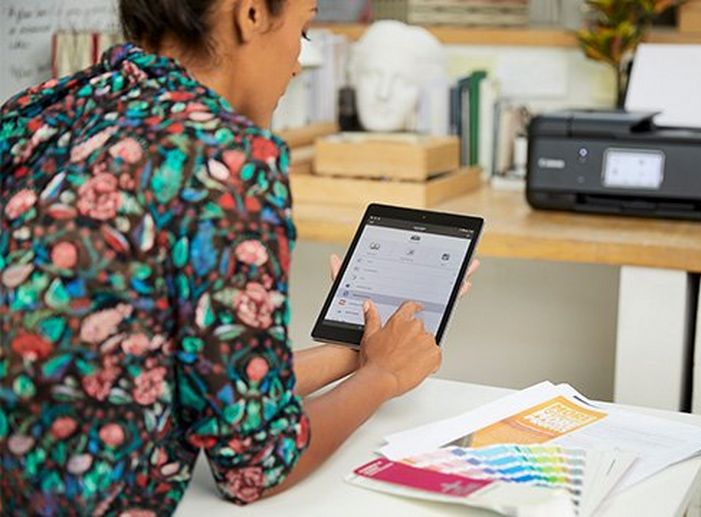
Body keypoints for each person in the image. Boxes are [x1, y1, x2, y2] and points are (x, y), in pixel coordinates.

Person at [0, 0, 478, 514]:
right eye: (305, 29)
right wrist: (382, 379)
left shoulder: (37, 110)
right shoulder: (225, 158)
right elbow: (257, 466)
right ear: (250, 13)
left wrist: (365, 353)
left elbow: (179, 385)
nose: (297, 62)